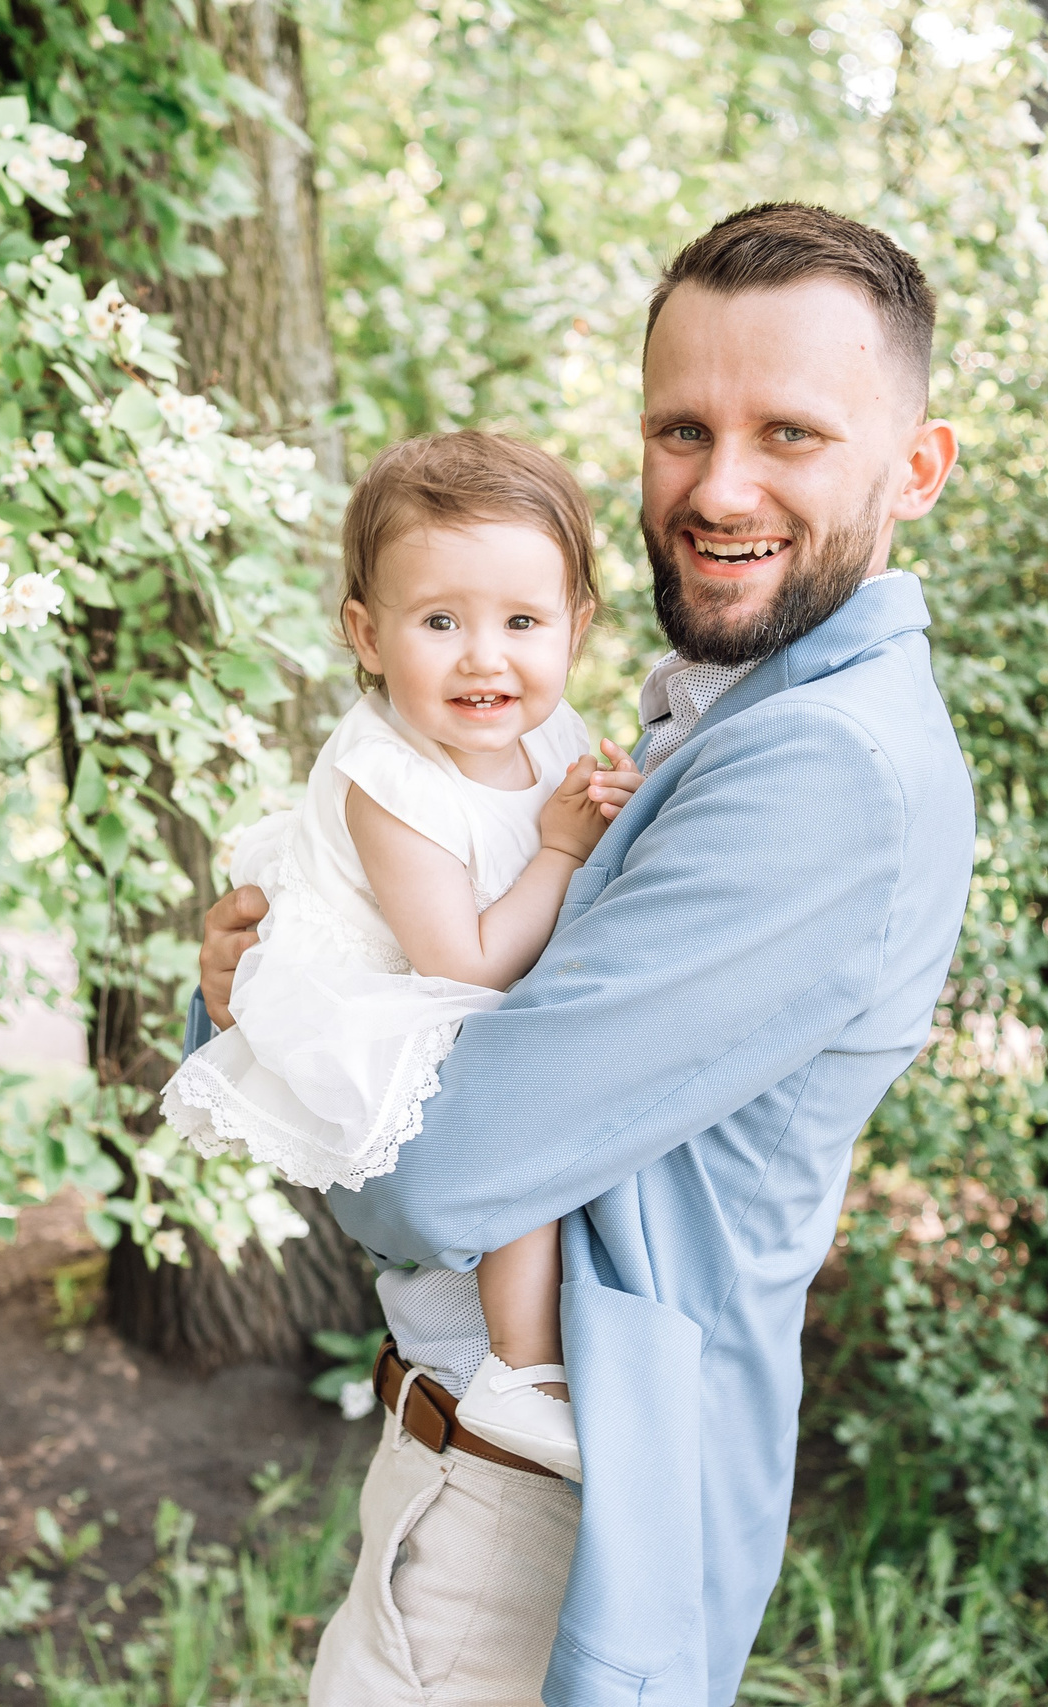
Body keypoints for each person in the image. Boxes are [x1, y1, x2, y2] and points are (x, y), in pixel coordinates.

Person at [190, 203, 977, 1706]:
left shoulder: (827, 766)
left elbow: (433, 1177)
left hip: (535, 1520)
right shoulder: (725, 705)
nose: (719, 486)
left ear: (916, 468)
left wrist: (276, 1034)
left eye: (791, 432)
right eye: (682, 429)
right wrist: (260, 983)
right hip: (478, 1462)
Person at [163, 432, 644, 1481]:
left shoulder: (549, 729)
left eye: (522, 622)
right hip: (394, 993)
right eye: (439, 621)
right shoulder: (390, 780)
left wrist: (604, 809)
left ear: (576, 626)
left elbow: (567, 845)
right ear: (367, 634)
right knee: (522, 1129)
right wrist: (565, 849)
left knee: (534, 1101)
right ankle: (520, 1367)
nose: (484, 657)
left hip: (469, 976)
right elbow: (465, 966)